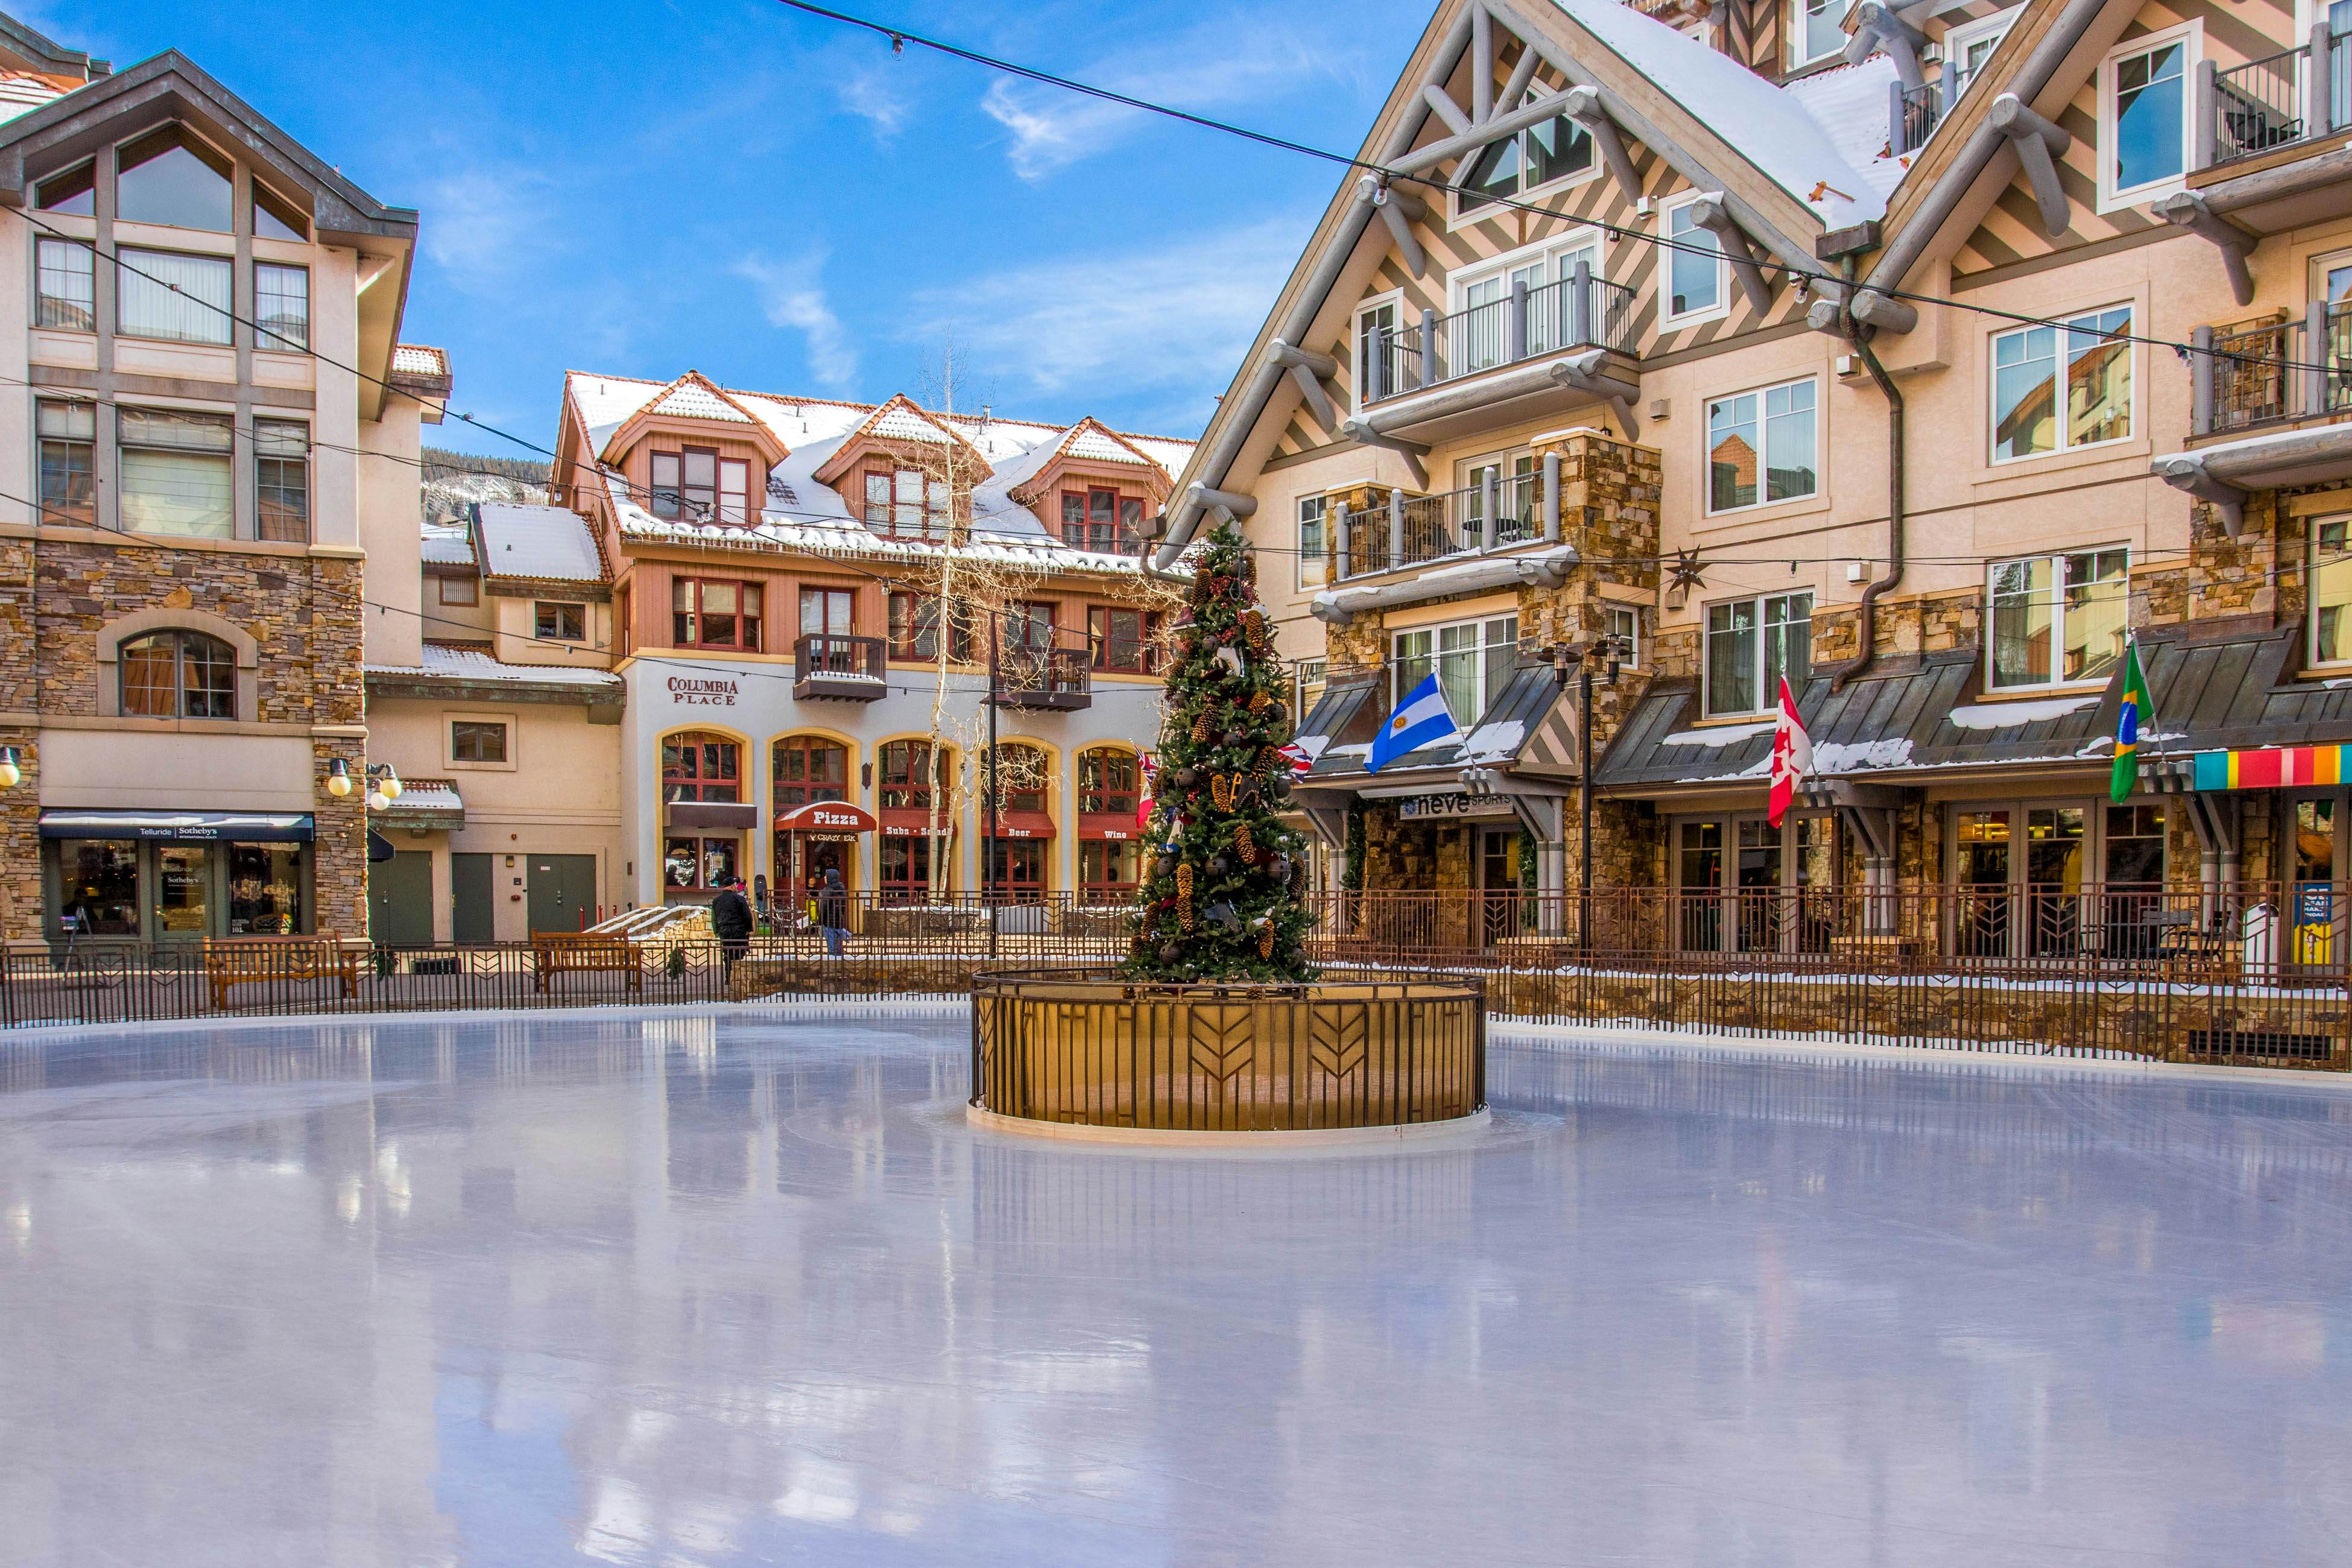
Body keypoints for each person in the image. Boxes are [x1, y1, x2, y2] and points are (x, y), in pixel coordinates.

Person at [709, 876, 754, 971]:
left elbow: (714, 917)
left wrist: (717, 931)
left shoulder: (716, 901)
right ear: (733, 886)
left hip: (724, 931)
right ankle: (737, 976)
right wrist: (749, 929)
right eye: (735, 885)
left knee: (727, 953)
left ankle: (728, 977)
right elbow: (747, 915)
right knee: (738, 954)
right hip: (738, 931)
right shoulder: (739, 899)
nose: (737, 887)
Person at [817, 867, 850, 958]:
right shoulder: (842, 889)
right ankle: (839, 960)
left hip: (829, 922)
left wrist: (820, 921)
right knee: (839, 945)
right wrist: (841, 917)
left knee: (832, 947)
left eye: (826, 876)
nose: (824, 878)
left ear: (831, 878)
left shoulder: (828, 890)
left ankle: (833, 962)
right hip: (839, 921)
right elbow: (843, 907)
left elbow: (824, 907)